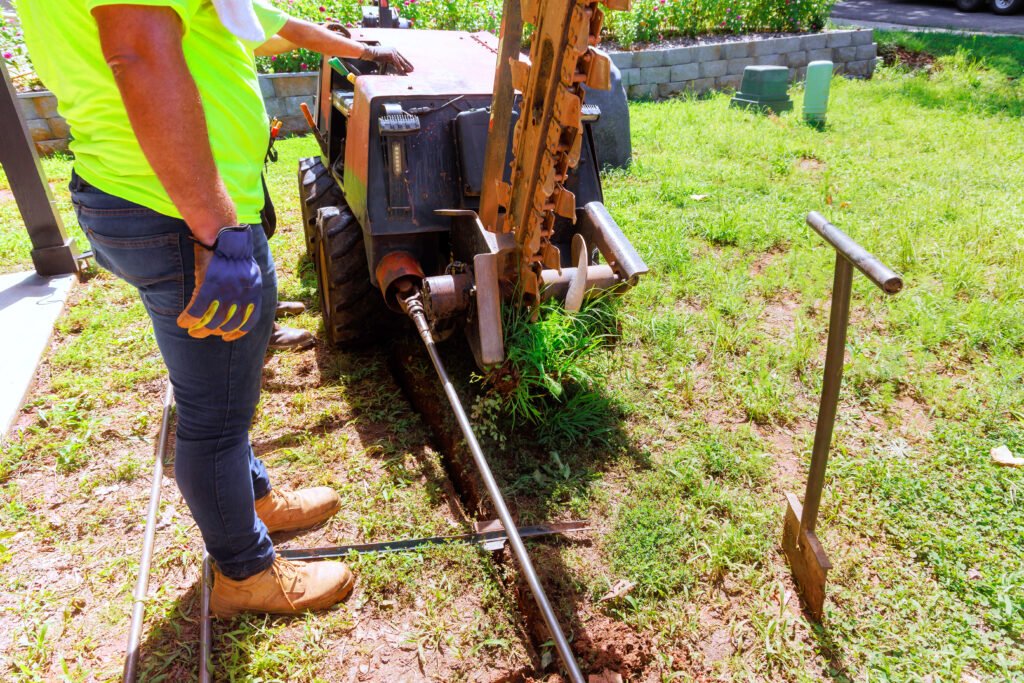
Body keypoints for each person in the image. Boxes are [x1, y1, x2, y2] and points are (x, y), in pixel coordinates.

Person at [18, 1, 411, 617]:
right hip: (179, 212)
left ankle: (251, 498)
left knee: (223, 385)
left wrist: (357, 50)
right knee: (214, 418)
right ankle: (245, 574)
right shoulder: (200, 225)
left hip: (147, 196)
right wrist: (215, 232)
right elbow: (139, 55)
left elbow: (260, 22)